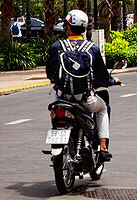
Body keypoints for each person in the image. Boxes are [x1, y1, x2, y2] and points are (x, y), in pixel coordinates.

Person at [46, 9, 118, 160]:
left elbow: (50, 74)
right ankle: (103, 147)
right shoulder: (92, 49)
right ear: (84, 28)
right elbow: (102, 77)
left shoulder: (56, 47)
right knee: (103, 108)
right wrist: (112, 81)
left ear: (68, 27)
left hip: (62, 99)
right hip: (86, 101)